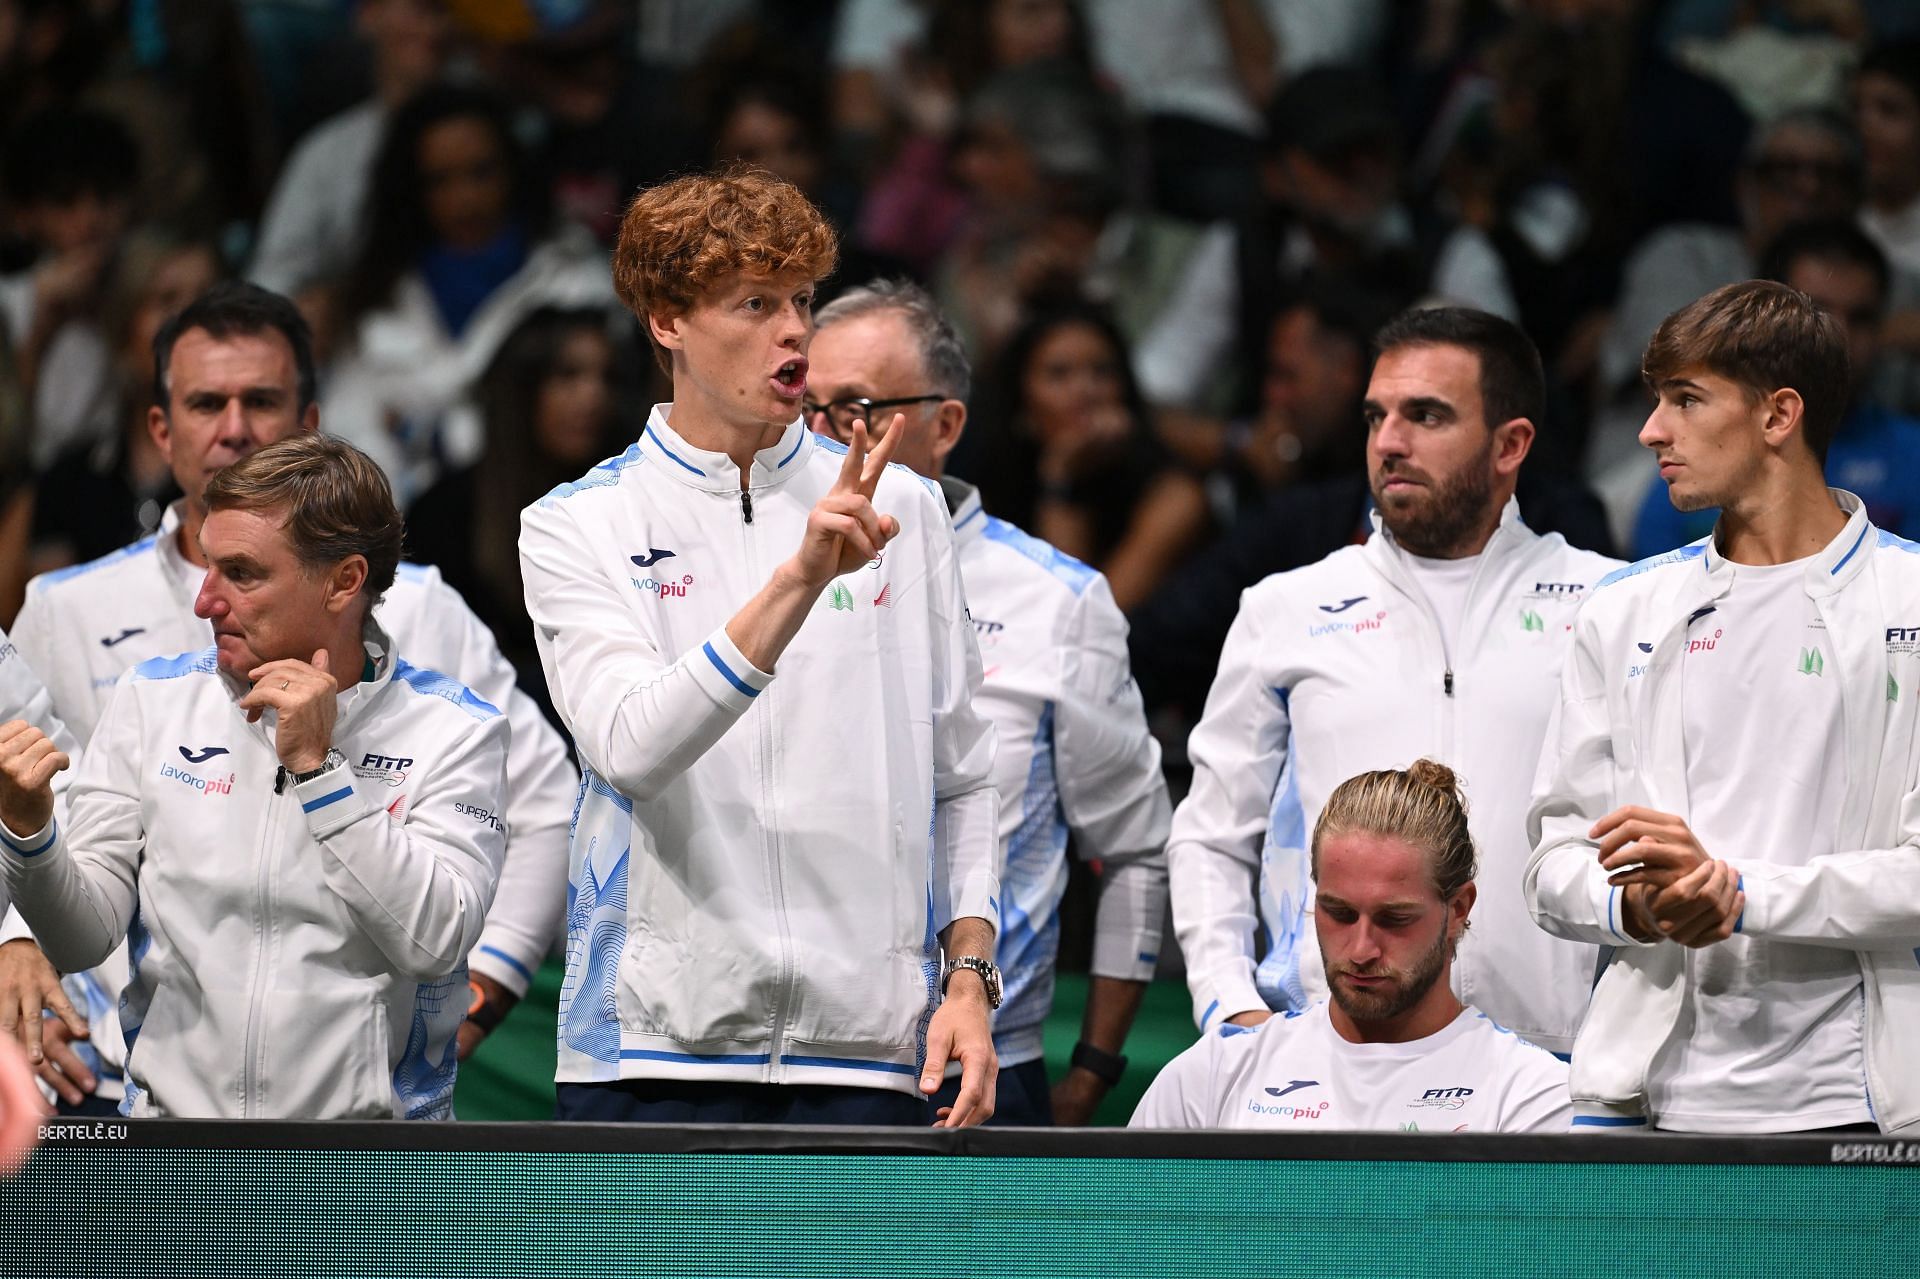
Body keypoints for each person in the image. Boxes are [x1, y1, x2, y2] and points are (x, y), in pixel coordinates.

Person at [4, 282, 575, 1111]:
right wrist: (30, 834)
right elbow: (85, 932)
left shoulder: (455, 724)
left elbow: (433, 940)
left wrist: (320, 770)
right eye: (209, 568)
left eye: (239, 574)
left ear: (344, 583)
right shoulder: (150, 697)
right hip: (167, 1145)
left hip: (369, 1163)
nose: (204, 602)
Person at [522, 166, 1002, 1127]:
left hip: (870, 1052)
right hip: (650, 1050)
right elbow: (630, 747)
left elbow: (965, 776)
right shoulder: (576, 522)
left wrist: (969, 983)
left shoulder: (901, 502)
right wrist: (799, 576)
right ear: (667, 322)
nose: (794, 331)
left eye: (801, 302)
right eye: (754, 304)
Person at [1167, 307, 1620, 1058]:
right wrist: (1228, 1005)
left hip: (1557, 1065)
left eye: (1427, 415)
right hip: (1331, 1052)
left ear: (1511, 444)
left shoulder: (1612, 603)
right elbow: (1212, 831)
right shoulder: (1287, 606)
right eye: (1377, 416)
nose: (1389, 441)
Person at [1526, 280, 1920, 1135]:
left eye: (1686, 399)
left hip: (1860, 1107)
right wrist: (1636, 907)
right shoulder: (1621, 608)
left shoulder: (1913, 600)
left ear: (1779, 415)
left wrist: (1741, 895)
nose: (1651, 431)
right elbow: (1553, 862)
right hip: (1641, 1102)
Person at [807, 279, 1170, 1126]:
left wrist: (1091, 1071)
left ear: (947, 424)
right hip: (796, 1062)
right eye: (808, 406)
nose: (824, 436)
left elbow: (1134, 851)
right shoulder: (759, 575)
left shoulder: (1058, 599)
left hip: (987, 1074)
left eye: (856, 407)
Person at [1133, 760, 1570, 1132]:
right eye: (1339, 913)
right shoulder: (1212, 1076)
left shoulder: (1531, 1099)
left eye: (1394, 919)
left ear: (1458, 909)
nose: (1361, 950)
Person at [323, 82, 615, 505]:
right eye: (440, 181)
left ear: (513, 169)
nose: (464, 199)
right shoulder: (378, 299)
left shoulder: (578, 284)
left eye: (481, 173)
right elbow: (345, 440)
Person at [1632, 220, 1920, 556]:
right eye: (1819, 313)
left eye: (1861, 318)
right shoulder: (1695, 458)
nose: (1840, 336)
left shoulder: (1912, 457)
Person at [963, 297, 1210, 613]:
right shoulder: (997, 479)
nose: (1086, 390)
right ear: (1021, 405)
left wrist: (1063, 480)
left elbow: (1078, 620)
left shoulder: (1176, 497)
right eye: (1059, 374)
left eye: (1102, 372)